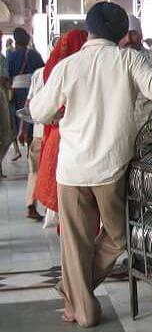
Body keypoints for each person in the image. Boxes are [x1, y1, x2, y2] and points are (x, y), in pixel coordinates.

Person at [29, 2, 152, 328]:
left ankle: (78, 301)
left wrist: (59, 113)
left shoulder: (69, 65)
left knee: (75, 243)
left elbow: (38, 111)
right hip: (109, 170)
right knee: (119, 237)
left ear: (89, 29)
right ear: (123, 33)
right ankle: (78, 299)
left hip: (72, 169)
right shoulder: (128, 60)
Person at [33, 30, 88, 218]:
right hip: (91, 152)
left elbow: (41, 110)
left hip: (61, 141)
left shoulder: (57, 68)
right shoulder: (92, 66)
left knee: (71, 214)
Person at [119, 15, 152, 130]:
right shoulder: (113, 62)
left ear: (141, 36)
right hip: (121, 133)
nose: (128, 39)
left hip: (150, 134)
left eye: (133, 34)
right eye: (123, 34)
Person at [7, 27, 45, 159]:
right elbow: (42, 71)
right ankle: (31, 149)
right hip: (32, 90)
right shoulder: (35, 55)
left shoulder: (11, 56)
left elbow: (8, 75)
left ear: (16, 42)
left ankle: (19, 144)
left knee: (17, 119)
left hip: (17, 92)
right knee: (31, 118)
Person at [23, 67, 44, 221]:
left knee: (34, 171)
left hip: (38, 131)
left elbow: (28, 104)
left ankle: (31, 204)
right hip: (57, 132)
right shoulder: (70, 67)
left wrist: (23, 129)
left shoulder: (38, 73)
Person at [0, 30, 13, 177]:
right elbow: (4, 80)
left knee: (6, 136)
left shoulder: (3, 58)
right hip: (1, 96)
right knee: (6, 134)